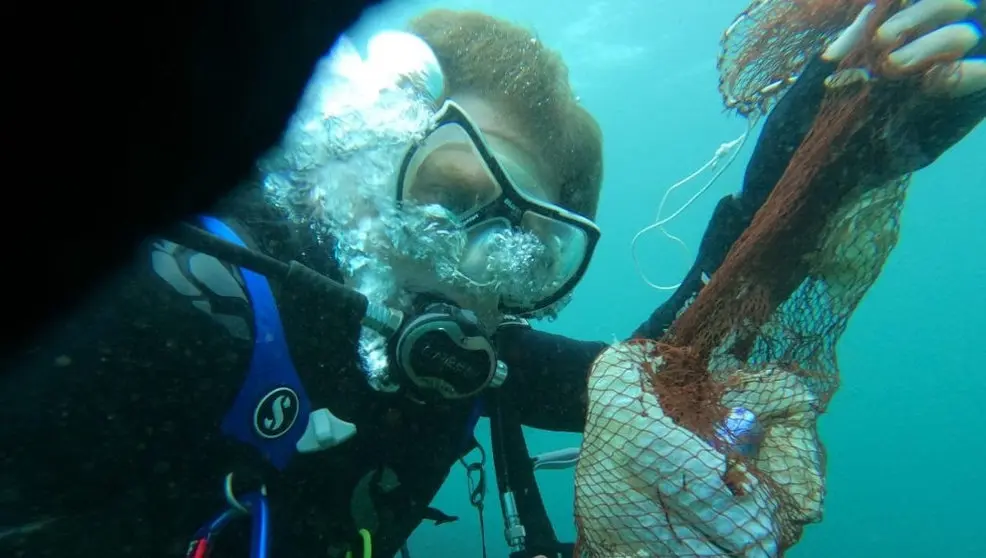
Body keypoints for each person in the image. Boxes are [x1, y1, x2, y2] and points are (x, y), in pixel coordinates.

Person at [2, 3, 982, 558]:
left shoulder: (484, 371)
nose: (467, 263)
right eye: (449, 195)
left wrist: (826, 151)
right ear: (366, 165)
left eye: (529, 241)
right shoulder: (171, 297)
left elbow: (684, 383)